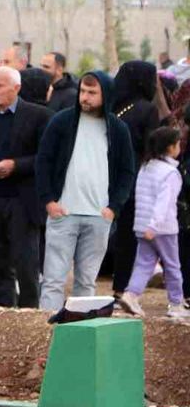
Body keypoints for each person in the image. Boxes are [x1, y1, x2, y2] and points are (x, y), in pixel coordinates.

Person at [36, 72, 136, 311]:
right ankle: (44, 333)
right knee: (52, 281)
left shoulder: (118, 129)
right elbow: (43, 162)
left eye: (92, 93)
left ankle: (80, 333)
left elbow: (126, 171)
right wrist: (49, 200)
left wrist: (113, 208)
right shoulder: (61, 121)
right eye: (83, 91)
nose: (85, 97)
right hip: (63, 213)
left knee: (86, 282)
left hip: (98, 216)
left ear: (106, 94)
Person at [0, 66, 53, 308]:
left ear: (16, 88)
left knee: (26, 261)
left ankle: (29, 313)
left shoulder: (39, 116)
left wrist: (16, 165)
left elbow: (47, 159)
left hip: (22, 200)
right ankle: (3, 310)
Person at [118, 127, 188, 319]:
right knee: (173, 266)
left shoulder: (145, 167)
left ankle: (131, 295)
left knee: (143, 264)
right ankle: (176, 303)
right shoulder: (171, 173)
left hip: (141, 226)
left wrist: (146, 225)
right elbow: (165, 202)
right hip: (163, 228)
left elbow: (141, 197)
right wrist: (155, 225)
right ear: (171, 147)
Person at [110, 60, 163, 299]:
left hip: (107, 176)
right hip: (134, 181)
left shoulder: (112, 105)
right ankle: (124, 289)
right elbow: (151, 148)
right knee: (130, 238)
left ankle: (118, 287)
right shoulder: (147, 109)